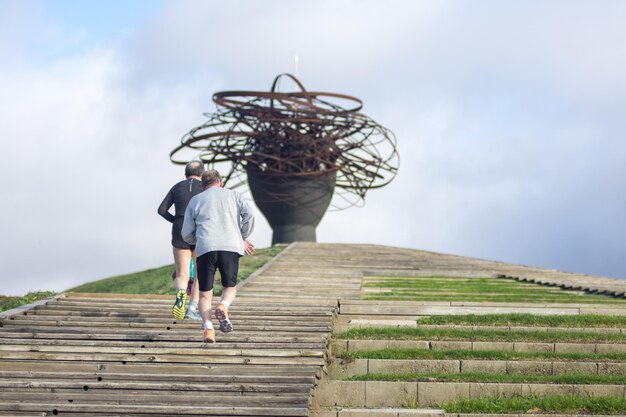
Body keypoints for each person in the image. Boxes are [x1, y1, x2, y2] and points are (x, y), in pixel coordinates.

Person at [181, 169, 255, 344]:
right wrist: (241, 237)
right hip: (230, 246)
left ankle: (208, 329)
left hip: (205, 248)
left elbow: (186, 233)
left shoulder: (195, 200)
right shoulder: (234, 195)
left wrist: (198, 240)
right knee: (229, 288)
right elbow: (249, 215)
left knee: (205, 294)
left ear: (202, 186)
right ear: (220, 182)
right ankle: (223, 306)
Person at [157, 160, 205, 320]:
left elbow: (162, 210)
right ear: (202, 174)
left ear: (185, 174)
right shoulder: (205, 188)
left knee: (182, 273)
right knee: (200, 272)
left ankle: (181, 293)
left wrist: (177, 221)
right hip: (200, 230)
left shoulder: (177, 186)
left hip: (179, 229)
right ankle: (192, 308)